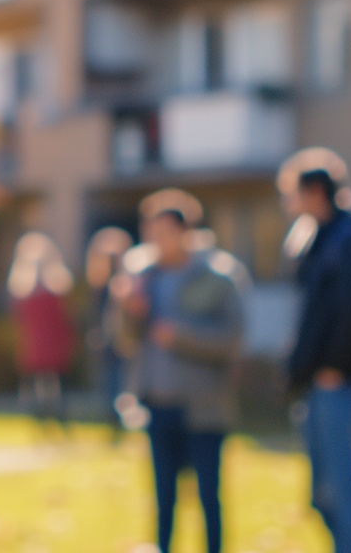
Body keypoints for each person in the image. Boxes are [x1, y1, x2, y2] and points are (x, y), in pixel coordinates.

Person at [116, 190, 247, 553]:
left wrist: (180, 337)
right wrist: (130, 311)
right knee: (163, 499)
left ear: (184, 232)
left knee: (208, 496)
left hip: (204, 407)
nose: (155, 241)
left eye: (163, 232)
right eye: (150, 232)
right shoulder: (143, 278)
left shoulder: (218, 278)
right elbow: (126, 341)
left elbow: (232, 341)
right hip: (157, 402)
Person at [280, 149, 351, 553]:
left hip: (333, 380)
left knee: (339, 486)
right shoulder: (318, 238)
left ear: (314, 192)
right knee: (320, 493)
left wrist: (337, 366)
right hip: (313, 380)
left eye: (292, 194)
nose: (288, 204)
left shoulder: (348, 240)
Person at [9, 231, 75, 431]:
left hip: (43, 344)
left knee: (49, 387)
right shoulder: (36, 289)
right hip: (42, 344)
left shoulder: (31, 289)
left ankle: (51, 421)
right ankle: (48, 422)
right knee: (46, 388)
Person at [85, 225, 135, 435]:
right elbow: (96, 311)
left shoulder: (127, 279)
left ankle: (121, 416)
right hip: (109, 340)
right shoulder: (100, 282)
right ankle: (114, 418)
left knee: (122, 380)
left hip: (124, 338)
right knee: (111, 381)